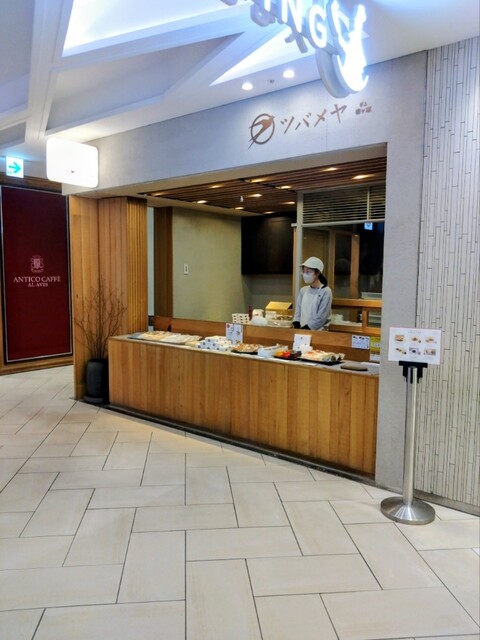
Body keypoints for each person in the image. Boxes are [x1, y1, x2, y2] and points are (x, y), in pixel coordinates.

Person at [292, 257, 332, 330]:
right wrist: (296, 323)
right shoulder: (303, 290)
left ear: (318, 273)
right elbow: (298, 311)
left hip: (318, 332)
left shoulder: (326, 291)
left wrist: (307, 328)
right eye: (304, 271)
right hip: (302, 331)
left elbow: (321, 317)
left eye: (308, 272)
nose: (305, 274)